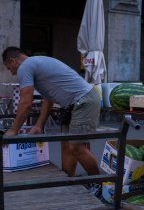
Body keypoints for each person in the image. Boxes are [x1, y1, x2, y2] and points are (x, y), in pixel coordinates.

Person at [2, 46, 101, 177]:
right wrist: (39, 124)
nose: (12, 73)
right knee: (66, 143)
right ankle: (68, 181)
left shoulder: (25, 67)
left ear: (13, 60)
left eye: (9, 68)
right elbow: (49, 97)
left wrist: (14, 130)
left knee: (76, 147)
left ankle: (100, 182)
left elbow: (25, 103)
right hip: (73, 103)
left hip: (83, 101)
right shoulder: (37, 62)